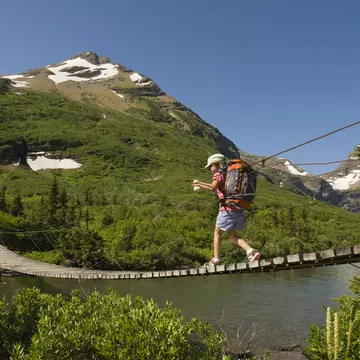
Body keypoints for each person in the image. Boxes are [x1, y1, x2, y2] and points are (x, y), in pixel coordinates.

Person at [192, 153, 261, 267]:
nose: (210, 169)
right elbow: (218, 189)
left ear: (216, 164)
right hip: (239, 207)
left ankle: (216, 259)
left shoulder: (218, 173)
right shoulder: (228, 174)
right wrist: (200, 185)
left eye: (210, 166)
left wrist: (198, 183)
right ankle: (251, 251)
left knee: (217, 232)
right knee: (232, 235)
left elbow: (213, 187)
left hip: (227, 208)